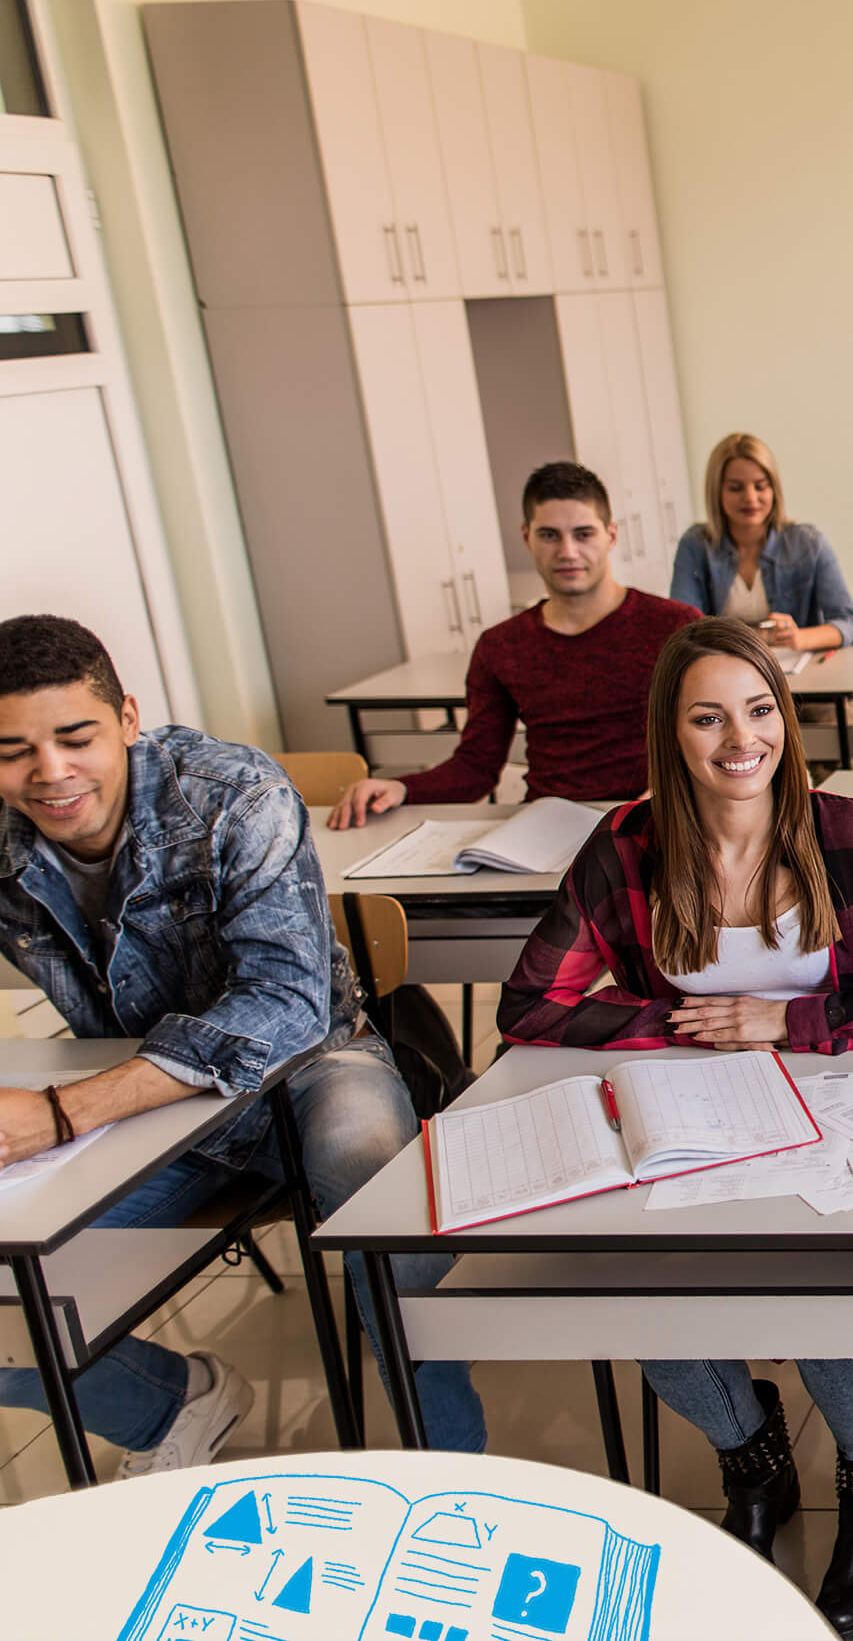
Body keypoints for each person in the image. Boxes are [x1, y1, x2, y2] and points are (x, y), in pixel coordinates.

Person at [495, 616, 853, 1638]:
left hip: (831, 1113)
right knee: (639, 1299)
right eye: (709, 717)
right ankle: (752, 1455)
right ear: (670, 734)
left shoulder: (847, 832)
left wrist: (793, 1021)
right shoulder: (627, 844)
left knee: (809, 1284)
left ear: (786, 718)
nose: (741, 739)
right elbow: (529, 1004)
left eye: (760, 711)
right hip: (692, 1115)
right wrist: (678, 1029)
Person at [0, 616, 483, 1470]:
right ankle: (170, 1406)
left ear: (127, 718)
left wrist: (60, 1113)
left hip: (309, 1064)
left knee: (367, 1153)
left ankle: (448, 1467)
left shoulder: (231, 792)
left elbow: (284, 1004)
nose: (49, 772)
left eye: (75, 737)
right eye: (12, 751)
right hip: (146, 1092)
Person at [331, 462, 700, 827]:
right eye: (550, 535)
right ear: (527, 537)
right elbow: (477, 767)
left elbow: (713, 736)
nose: (567, 551)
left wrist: (670, 793)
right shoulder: (501, 646)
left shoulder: (676, 626)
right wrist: (401, 788)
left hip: (652, 821)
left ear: (611, 535)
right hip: (548, 828)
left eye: (583, 534)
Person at [669, 431, 853, 655]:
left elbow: (849, 624)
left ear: (774, 489)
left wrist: (799, 638)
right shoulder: (695, 545)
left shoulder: (809, 543)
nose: (750, 498)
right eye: (736, 488)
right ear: (717, 491)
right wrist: (760, 636)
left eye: (760, 486)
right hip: (725, 672)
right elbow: (683, 631)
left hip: (798, 676)